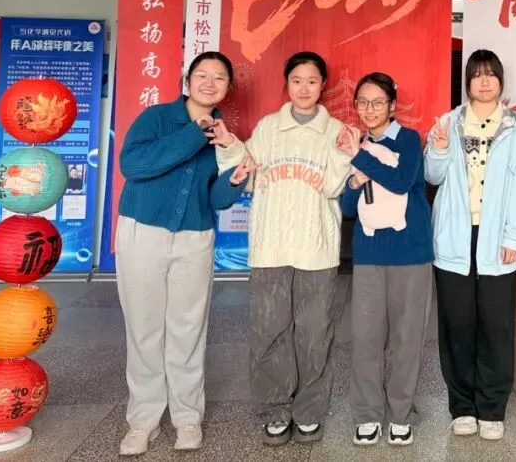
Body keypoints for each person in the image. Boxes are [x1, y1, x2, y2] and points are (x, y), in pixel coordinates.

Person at [116, 52, 255, 456]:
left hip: (195, 237)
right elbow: (133, 165)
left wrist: (235, 179)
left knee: (188, 329)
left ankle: (187, 417)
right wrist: (196, 133)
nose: (210, 83)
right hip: (143, 231)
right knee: (144, 328)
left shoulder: (223, 135)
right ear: (187, 80)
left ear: (228, 87)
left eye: (219, 78)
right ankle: (142, 420)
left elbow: (216, 199)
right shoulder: (157, 118)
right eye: (202, 75)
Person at [216, 51, 357, 445]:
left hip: (316, 249)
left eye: (312, 81)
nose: (304, 88)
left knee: (315, 333)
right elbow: (245, 175)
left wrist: (343, 152)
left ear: (322, 85)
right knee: (269, 330)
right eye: (297, 80)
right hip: (271, 247)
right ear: (287, 84)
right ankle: (275, 409)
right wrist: (230, 146)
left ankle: (309, 410)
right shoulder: (267, 129)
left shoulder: (335, 131)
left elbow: (334, 186)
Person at [425, 49, 516, 442]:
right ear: (467, 81)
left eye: (491, 74)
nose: (484, 82)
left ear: (500, 81)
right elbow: (432, 177)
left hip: (496, 238)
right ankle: (462, 406)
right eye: (477, 75)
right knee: (457, 323)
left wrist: (513, 235)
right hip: (455, 235)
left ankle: (491, 406)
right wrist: (438, 149)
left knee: (496, 324)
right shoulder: (448, 123)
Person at [340, 72, 433, 447]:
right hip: (369, 253)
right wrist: (353, 182)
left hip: (410, 252)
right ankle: (367, 413)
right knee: (365, 336)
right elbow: (348, 208)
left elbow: (401, 180)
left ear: (392, 105)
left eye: (378, 102)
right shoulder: (356, 145)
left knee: (407, 337)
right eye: (363, 102)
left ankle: (400, 413)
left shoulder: (408, 139)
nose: (370, 109)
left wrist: (359, 158)